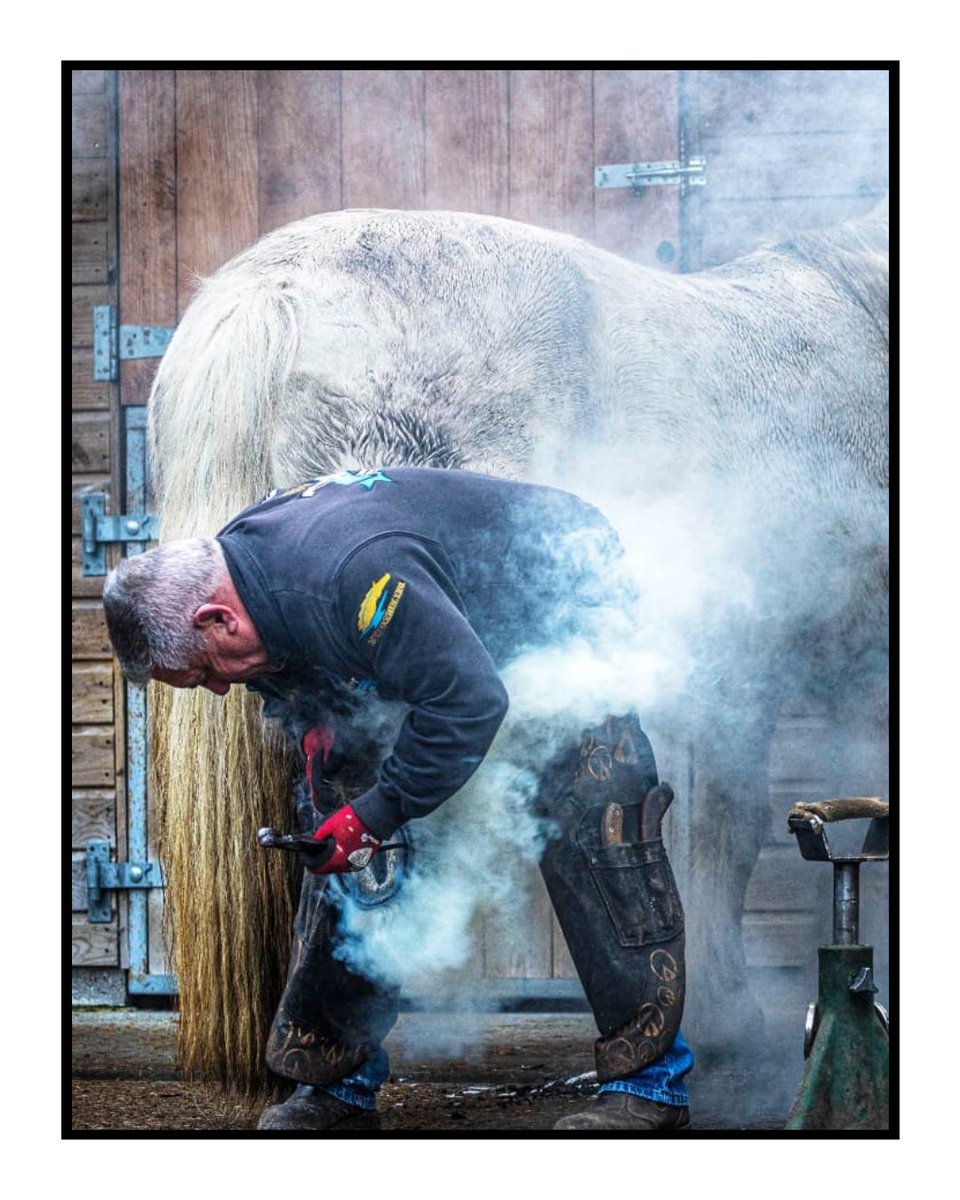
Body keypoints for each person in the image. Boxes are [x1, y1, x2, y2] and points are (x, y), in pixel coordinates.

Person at [103, 465, 693, 1132]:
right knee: (348, 847)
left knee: (599, 819)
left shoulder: (357, 576)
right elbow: (305, 664)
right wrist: (326, 755)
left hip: (559, 596)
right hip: (440, 631)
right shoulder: (242, 566)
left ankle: (652, 1087)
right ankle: (339, 1085)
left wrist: (377, 814)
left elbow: (472, 704)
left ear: (216, 616)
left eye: (205, 671)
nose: (215, 690)